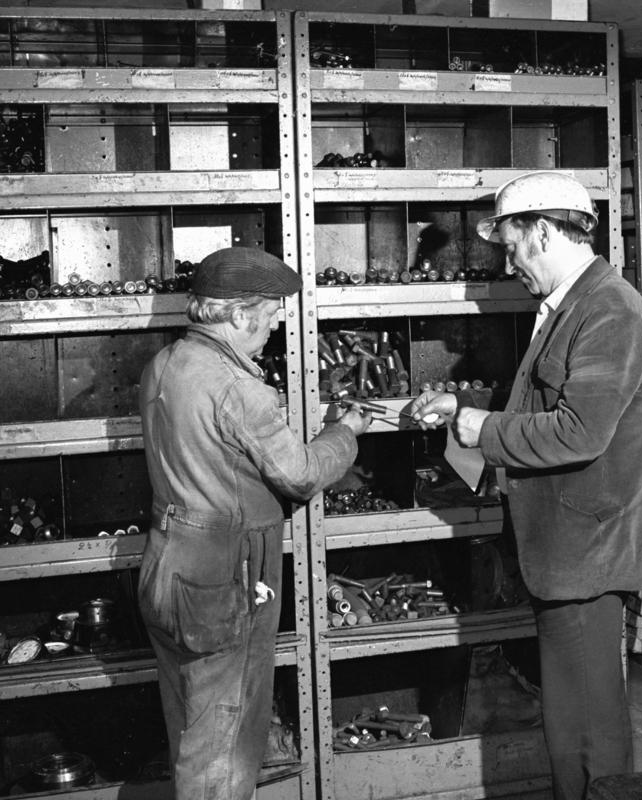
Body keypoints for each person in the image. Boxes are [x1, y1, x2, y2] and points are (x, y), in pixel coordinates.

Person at [408, 171, 642, 800]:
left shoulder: (608, 311)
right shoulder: (565, 307)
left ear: (545, 231)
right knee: (574, 713)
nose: (509, 261)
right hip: (568, 545)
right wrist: (460, 410)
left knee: (584, 724)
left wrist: (477, 425)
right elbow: (547, 404)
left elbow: (579, 432)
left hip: (589, 549)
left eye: (512, 245)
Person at [138, 246, 370, 800]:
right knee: (227, 742)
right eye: (268, 317)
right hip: (226, 574)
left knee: (192, 730)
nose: (271, 329)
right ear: (239, 315)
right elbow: (301, 474)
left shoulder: (165, 364)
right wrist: (347, 431)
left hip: (168, 563)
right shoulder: (238, 389)